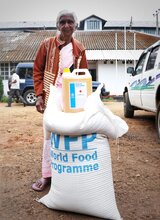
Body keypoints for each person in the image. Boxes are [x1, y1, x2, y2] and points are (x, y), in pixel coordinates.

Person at [32, 10, 88, 191]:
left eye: (70, 22)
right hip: (52, 95)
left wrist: (86, 100)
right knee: (49, 133)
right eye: (62, 22)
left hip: (72, 97)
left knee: (71, 132)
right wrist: (39, 95)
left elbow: (84, 75)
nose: (66, 25)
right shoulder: (47, 45)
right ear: (57, 25)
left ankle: (68, 173)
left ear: (75, 25)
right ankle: (47, 175)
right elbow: (37, 70)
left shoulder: (80, 48)